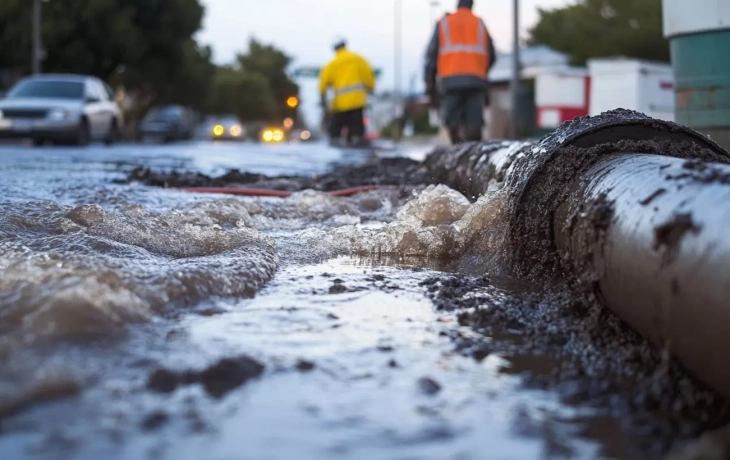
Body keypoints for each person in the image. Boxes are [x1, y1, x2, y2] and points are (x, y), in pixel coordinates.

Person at [424, 0, 497, 144]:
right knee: (474, 122)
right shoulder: (480, 23)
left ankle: (456, 149)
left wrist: (430, 85)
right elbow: (492, 55)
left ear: (457, 5)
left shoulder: (444, 23)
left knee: (452, 121)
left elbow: (431, 56)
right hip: (476, 80)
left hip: (450, 80)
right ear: (472, 5)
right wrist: (481, 70)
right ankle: (473, 151)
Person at [319, 38, 376, 147]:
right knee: (356, 125)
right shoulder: (359, 59)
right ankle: (356, 140)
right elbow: (369, 76)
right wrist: (371, 89)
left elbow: (323, 83)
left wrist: (322, 98)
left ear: (335, 49)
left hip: (340, 103)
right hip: (357, 100)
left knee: (336, 126)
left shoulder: (332, 64)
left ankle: (336, 140)